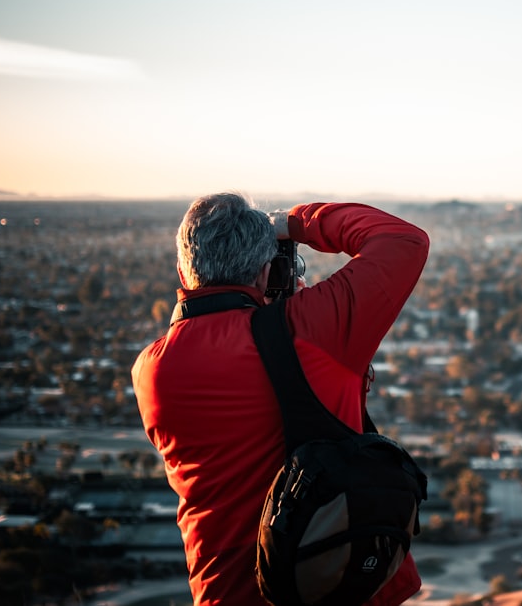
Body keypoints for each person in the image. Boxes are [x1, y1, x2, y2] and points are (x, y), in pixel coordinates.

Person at [131, 193, 430, 606]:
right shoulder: (308, 331)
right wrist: (293, 223)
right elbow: (402, 240)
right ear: (270, 271)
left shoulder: (151, 369)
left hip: (224, 592)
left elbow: (226, 361)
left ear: (183, 271)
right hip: (336, 584)